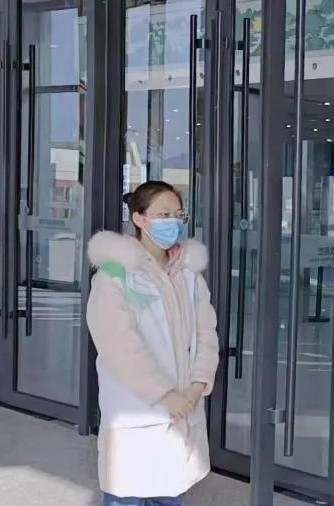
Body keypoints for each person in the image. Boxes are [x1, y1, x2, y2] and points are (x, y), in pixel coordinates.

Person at [86, 181, 219, 506]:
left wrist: (196, 387)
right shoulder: (115, 276)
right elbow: (120, 348)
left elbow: (207, 334)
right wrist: (165, 395)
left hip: (183, 411)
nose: (172, 222)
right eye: (163, 214)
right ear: (139, 218)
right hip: (136, 415)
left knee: (170, 493)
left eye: (178, 215)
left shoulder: (189, 276)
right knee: (128, 495)